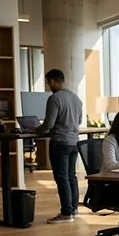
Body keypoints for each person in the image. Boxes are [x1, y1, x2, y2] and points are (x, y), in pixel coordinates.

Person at [35, 69, 83, 224]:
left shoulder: (54, 99)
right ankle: (74, 209)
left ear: (53, 81)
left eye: (48, 82)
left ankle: (66, 213)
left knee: (62, 178)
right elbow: (80, 121)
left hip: (59, 143)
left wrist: (36, 129)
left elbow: (49, 124)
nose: (48, 85)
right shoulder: (76, 98)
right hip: (74, 142)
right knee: (71, 176)